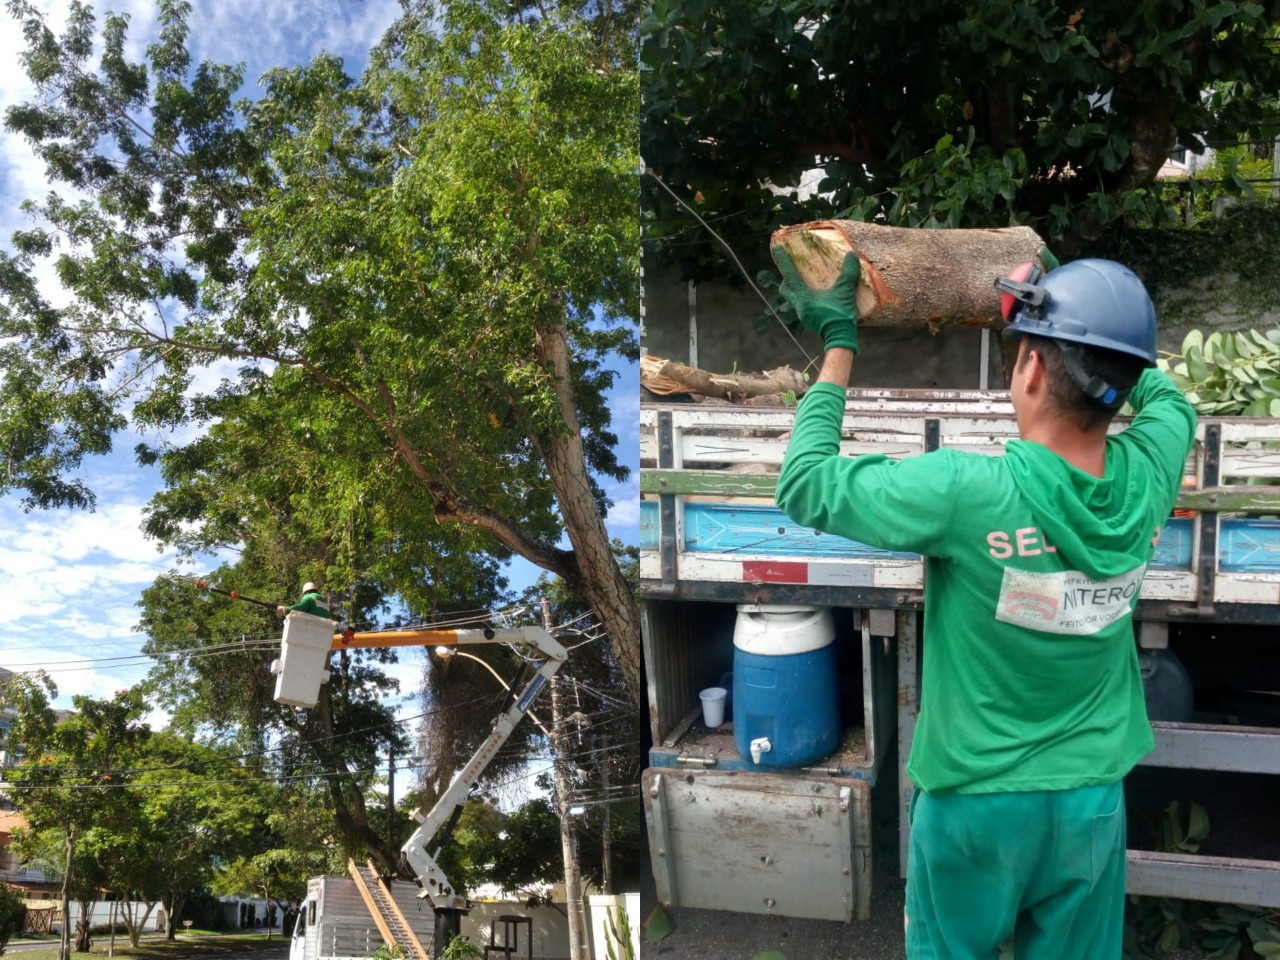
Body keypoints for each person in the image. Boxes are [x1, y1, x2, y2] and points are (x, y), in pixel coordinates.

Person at [771, 249, 1196, 959]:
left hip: (975, 805)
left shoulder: (966, 493)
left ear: (1029, 370)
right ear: (1119, 386)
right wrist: (1093, 319)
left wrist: (839, 343)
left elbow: (806, 482)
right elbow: (1168, 397)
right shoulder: (1150, 476)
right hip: (1091, 801)